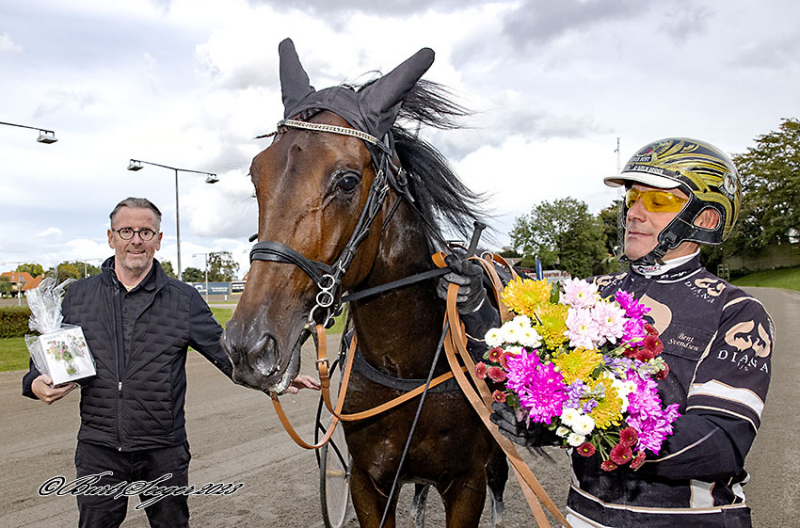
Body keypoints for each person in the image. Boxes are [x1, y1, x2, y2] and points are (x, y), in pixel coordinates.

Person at [444, 138, 774, 528]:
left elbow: (720, 444)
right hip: (584, 514)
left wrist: (582, 417)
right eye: (633, 197)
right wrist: (475, 310)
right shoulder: (589, 293)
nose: (634, 213)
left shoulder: (738, 312)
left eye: (658, 201)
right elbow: (519, 373)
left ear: (705, 219)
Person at [23, 197, 319, 528]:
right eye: (126, 231)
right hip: (98, 447)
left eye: (146, 232)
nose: (136, 240)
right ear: (111, 237)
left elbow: (224, 354)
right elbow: (50, 352)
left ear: (159, 240)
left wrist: (274, 377)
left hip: (163, 449)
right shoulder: (79, 295)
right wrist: (34, 382)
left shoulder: (183, 299)